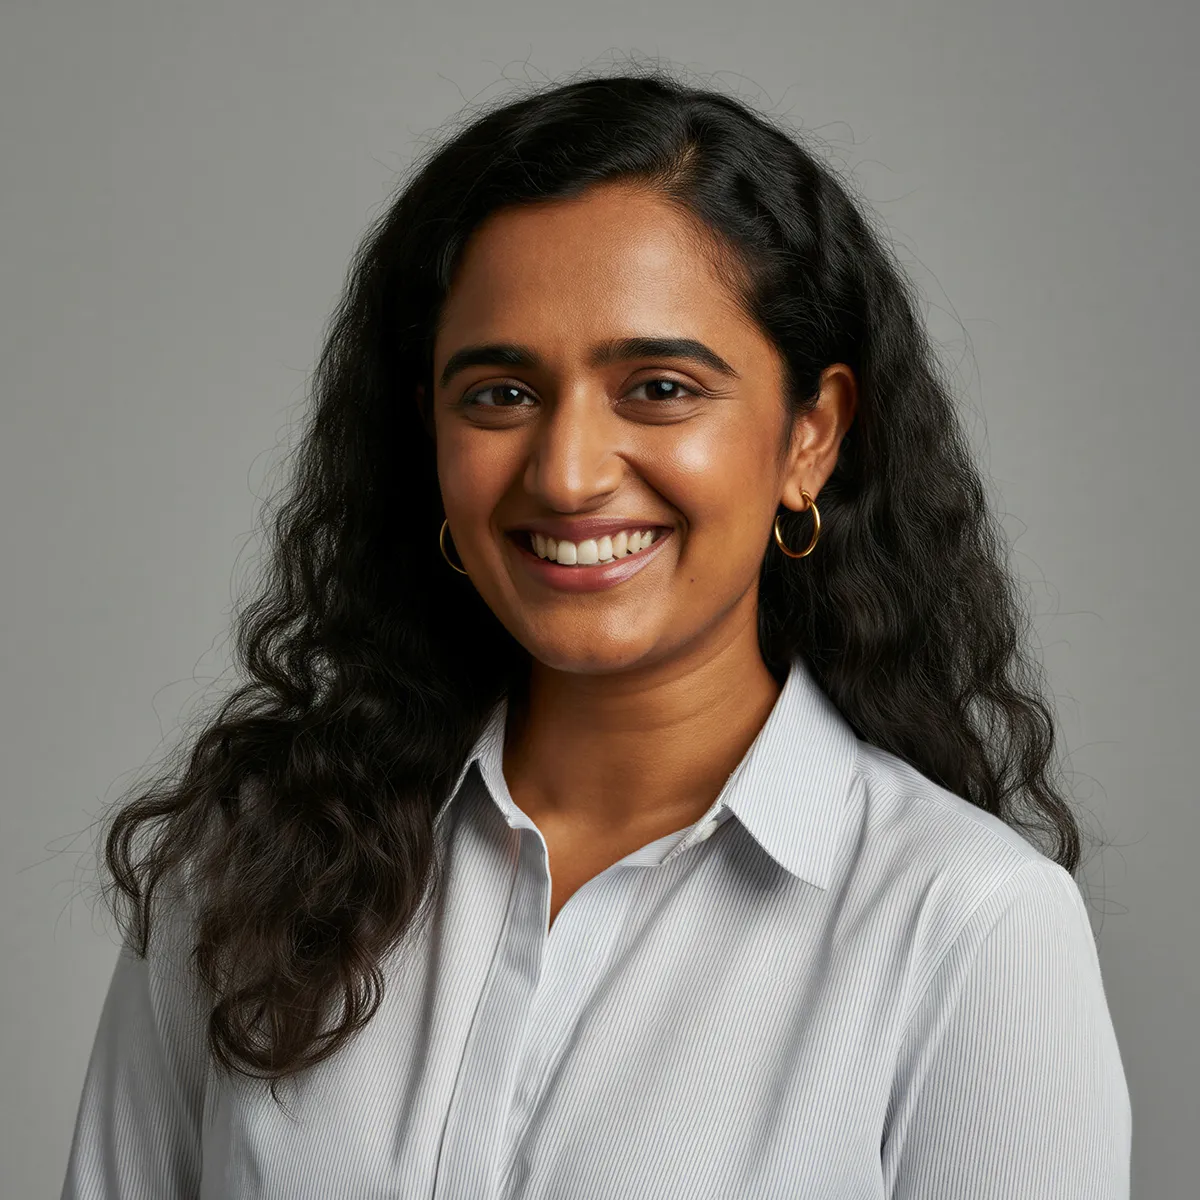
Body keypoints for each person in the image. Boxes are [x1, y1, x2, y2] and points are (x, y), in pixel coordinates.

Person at [61, 68, 1131, 1199]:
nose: (567, 474)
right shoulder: (248, 870)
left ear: (811, 436)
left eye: (660, 387)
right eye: (499, 396)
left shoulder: (966, 929)